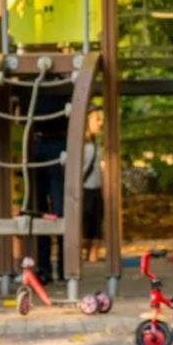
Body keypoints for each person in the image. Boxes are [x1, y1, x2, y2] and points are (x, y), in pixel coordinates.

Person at [27, 83, 70, 284]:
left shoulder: (62, 83)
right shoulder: (29, 82)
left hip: (57, 141)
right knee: (39, 210)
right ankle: (44, 267)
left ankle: (64, 267)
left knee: (60, 209)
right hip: (37, 141)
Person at [81, 108, 105, 264]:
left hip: (96, 188)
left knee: (97, 221)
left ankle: (93, 253)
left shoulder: (98, 145)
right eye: (96, 119)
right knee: (85, 221)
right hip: (85, 189)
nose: (100, 123)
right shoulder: (81, 147)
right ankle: (84, 252)